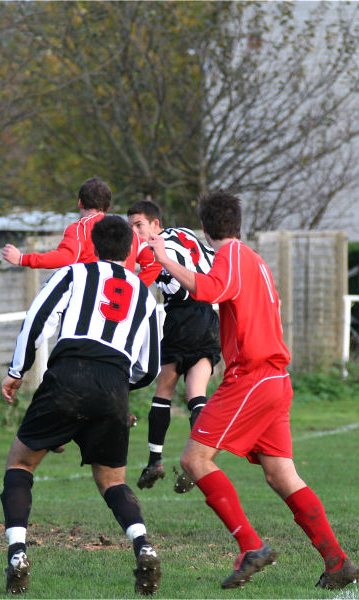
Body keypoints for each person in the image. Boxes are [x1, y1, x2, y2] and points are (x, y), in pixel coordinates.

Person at [147, 190, 359, 590]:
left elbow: (209, 290)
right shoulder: (256, 260)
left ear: (206, 227)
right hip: (277, 379)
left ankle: (250, 545)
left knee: (194, 460)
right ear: (238, 223)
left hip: (253, 377)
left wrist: (165, 259)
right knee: (282, 475)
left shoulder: (231, 256)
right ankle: (337, 561)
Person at [0, 215, 162, 595]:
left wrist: (17, 370)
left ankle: (18, 554)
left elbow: (37, 319)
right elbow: (150, 367)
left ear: (93, 242)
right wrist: (121, 389)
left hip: (68, 375)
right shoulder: (144, 295)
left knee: (21, 463)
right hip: (113, 387)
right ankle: (143, 544)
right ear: (132, 249)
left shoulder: (75, 274)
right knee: (112, 481)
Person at [126, 201, 221, 494]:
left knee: (164, 390)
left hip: (183, 315)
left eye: (139, 225)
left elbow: (141, 285)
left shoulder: (153, 249)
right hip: (211, 315)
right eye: (130, 226)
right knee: (197, 394)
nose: (134, 231)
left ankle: (155, 461)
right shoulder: (184, 233)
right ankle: (199, 460)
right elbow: (212, 259)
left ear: (155, 224)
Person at [2, 177, 160, 286]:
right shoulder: (125, 230)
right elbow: (154, 263)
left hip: (89, 306)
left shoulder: (80, 229)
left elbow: (65, 258)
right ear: (107, 207)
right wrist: (134, 289)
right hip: (122, 311)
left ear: (80, 203)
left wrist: (23, 258)